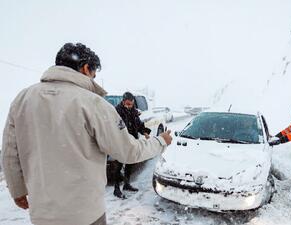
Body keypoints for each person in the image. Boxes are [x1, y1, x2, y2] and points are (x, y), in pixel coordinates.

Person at [1, 42, 173, 225]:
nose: (94, 80)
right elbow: (128, 151)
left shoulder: (22, 99)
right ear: (85, 68)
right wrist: (160, 141)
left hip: (41, 214)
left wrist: (17, 190)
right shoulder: (93, 104)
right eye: (94, 74)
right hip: (85, 214)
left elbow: (10, 153)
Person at [110, 92, 151, 198]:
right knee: (118, 166)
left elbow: (138, 123)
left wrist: (144, 131)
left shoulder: (133, 111)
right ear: (123, 102)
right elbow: (115, 127)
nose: (129, 106)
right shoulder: (116, 112)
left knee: (130, 163)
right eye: (128, 104)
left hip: (132, 141)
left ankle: (127, 184)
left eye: (131, 104)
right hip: (121, 142)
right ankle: (116, 188)